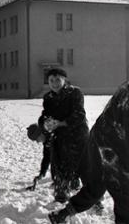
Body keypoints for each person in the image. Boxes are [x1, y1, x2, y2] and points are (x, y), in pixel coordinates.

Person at [49, 63, 129, 224]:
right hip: (110, 151)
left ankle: (62, 215)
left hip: (98, 142)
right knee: (124, 195)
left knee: (96, 187)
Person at [38, 68, 89, 203]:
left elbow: (79, 115)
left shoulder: (75, 93)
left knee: (82, 168)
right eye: (51, 80)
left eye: (58, 80)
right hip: (59, 137)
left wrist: (61, 123)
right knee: (58, 166)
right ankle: (61, 195)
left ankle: (93, 199)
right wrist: (45, 123)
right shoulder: (48, 97)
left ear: (64, 80)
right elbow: (45, 115)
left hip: (77, 136)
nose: (54, 83)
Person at [26, 123, 54, 191]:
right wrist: (42, 174)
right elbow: (46, 158)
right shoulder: (47, 141)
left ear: (40, 133)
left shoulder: (54, 138)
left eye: (36, 139)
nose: (37, 142)